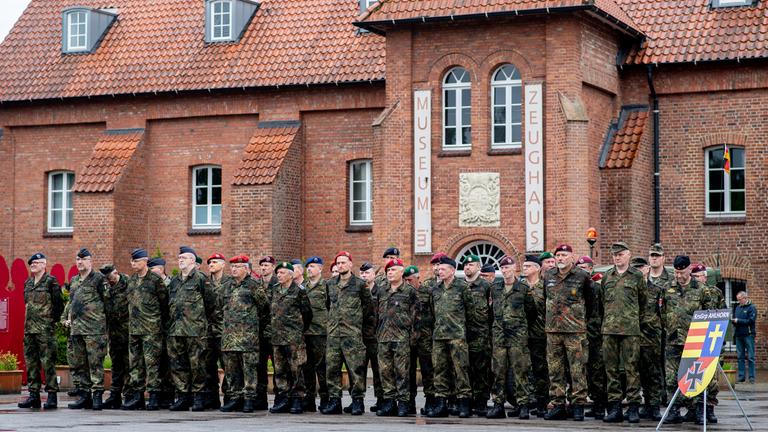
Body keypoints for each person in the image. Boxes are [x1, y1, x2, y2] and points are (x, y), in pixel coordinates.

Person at [542, 244, 594, 421]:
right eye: (558, 255)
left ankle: (578, 405)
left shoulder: (582, 276)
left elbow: (591, 302)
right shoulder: (549, 275)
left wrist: (580, 321)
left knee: (577, 369)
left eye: (564, 255)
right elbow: (545, 299)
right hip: (553, 331)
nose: (560, 258)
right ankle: (557, 404)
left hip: (575, 331)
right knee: (555, 369)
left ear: (572, 257)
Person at [321, 251, 375, 415]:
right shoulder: (330, 284)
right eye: (338, 263)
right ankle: (335, 401)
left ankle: (357, 401)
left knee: (356, 370)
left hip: (352, 335)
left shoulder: (359, 285)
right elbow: (328, 305)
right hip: (334, 335)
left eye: (344, 262)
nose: (340, 265)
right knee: (332, 369)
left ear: (351, 264)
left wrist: (357, 327)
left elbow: (368, 309)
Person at [600, 242, 646, 423]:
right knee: (610, 369)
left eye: (620, 254)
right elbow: (601, 302)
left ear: (628, 255)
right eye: (614, 255)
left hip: (630, 330)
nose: (617, 257)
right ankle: (615, 407)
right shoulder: (607, 277)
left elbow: (643, 302)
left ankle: (633, 406)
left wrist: (633, 319)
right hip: (609, 330)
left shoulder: (636, 276)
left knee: (631, 368)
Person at [167, 246, 215, 411]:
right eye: (179, 257)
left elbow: (211, 304)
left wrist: (203, 325)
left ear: (193, 261)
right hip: (176, 330)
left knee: (197, 365)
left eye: (184, 258)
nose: (180, 260)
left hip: (195, 331)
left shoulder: (201, 278)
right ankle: (183, 397)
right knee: (178, 365)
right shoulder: (174, 281)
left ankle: (199, 397)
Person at [662, 255, 708, 425]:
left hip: (694, 341)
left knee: (695, 377)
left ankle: (696, 410)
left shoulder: (702, 290)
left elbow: (709, 314)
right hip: (673, 340)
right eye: (676, 272)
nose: (679, 276)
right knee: (671, 378)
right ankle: (673, 411)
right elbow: (661, 313)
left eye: (682, 272)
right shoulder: (667, 288)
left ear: (689, 269)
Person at [219, 255, 268, 413]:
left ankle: (249, 399)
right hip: (229, 337)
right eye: (232, 266)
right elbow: (219, 306)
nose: (233, 269)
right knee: (232, 370)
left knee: (249, 369)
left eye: (237, 267)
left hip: (248, 337)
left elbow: (265, 308)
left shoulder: (254, 286)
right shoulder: (226, 286)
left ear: (246, 269)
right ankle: (235, 398)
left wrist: (252, 324)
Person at [427, 256, 473, 418]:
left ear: (453, 270)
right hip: (439, 336)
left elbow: (471, 312)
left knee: (460, 370)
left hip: (457, 336)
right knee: (439, 370)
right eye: (439, 269)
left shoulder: (462, 288)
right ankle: (441, 405)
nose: (440, 272)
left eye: (443, 269)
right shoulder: (435, 289)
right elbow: (432, 313)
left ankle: (464, 404)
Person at [486, 256, 531, 419]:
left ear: (514, 269)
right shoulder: (495, 288)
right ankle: (498, 404)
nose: (505, 271)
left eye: (508, 268)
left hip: (518, 337)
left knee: (520, 371)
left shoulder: (523, 288)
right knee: (498, 371)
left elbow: (531, 312)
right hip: (499, 336)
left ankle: (523, 405)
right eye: (502, 268)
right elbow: (490, 312)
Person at [124, 248, 169, 411]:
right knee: (135, 364)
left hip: (151, 330)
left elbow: (164, 304)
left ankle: (155, 396)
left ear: (145, 261)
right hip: (134, 329)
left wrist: (157, 324)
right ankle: (137, 397)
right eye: (132, 261)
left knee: (152, 364)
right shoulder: (133, 280)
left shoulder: (155, 280)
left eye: (136, 261)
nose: (133, 264)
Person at [18, 253, 63, 410]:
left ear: (44, 265)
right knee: (31, 363)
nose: (33, 264)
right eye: (31, 263)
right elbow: (27, 304)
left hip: (45, 330)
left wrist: (50, 322)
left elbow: (58, 305)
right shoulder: (28, 283)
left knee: (47, 363)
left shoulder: (51, 281)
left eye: (37, 262)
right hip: (29, 330)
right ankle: (33, 396)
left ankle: (51, 396)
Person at [375, 258, 419, 417]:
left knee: (402, 372)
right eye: (388, 271)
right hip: (384, 338)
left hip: (401, 338)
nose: (390, 273)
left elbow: (416, 317)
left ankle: (403, 403)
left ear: (401, 272)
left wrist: (412, 339)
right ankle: (389, 402)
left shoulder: (410, 291)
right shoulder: (381, 290)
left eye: (393, 270)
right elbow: (376, 314)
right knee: (385, 372)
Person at [269, 261, 313, 414]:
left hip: (294, 338)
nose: (279, 275)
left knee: (296, 368)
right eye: (278, 273)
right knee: (280, 370)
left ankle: (297, 398)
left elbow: (307, 314)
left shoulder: (299, 291)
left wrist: (298, 330)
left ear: (290, 275)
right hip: (277, 337)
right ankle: (283, 397)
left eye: (282, 273)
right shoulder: (274, 290)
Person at [68, 248, 108, 410]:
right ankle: (84, 396)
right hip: (77, 328)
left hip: (94, 329)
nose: (80, 262)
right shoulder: (74, 280)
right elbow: (71, 303)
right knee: (80, 363)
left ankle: (97, 395)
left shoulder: (98, 279)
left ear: (90, 261)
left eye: (83, 259)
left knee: (95, 363)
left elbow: (107, 301)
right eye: (78, 259)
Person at [576, 255, 607, 420]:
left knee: (596, 370)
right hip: (578, 333)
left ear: (590, 268)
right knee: (580, 370)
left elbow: (603, 310)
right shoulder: (574, 287)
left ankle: (599, 404)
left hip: (595, 333)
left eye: (585, 268)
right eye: (579, 269)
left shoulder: (597, 287)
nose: (583, 271)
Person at [462, 254, 492, 416]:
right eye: (466, 265)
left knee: (481, 370)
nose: (467, 267)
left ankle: (481, 402)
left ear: (478, 268)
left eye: (471, 265)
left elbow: (492, 311)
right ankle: (467, 400)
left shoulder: (486, 287)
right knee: (464, 369)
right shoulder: (459, 286)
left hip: (481, 335)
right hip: (462, 335)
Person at [404, 265, 435, 415]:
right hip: (408, 339)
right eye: (405, 280)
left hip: (425, 338)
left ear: (417, 277)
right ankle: (410, 402)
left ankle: (430, 401)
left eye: (410, 279)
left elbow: (435, 314)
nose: (408, 282)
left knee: (428, 370)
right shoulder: (403, 293)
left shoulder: (428, 292)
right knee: (408, 372)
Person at [99, 264, 130, 410]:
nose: (108, 281)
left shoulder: (128, 284)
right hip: (114, 333)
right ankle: (115, 396)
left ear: (116, 273)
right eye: (106, 278)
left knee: (130, 365)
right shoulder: (107, 288)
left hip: (128, 333)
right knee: (116, 366)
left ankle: (130, 395)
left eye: (110, 277)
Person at [522, 255, 548, 417]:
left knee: (541, 370)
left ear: (538, 268)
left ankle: (542, 403)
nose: (524, 269)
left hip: (540, 334)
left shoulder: (545, 286)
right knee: (524, 370)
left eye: (528, 266)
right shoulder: (520, 286)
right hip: (522, 335)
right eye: (524, 266)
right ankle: (526, 402)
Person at [303, 256, 329, 412]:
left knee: (322, 367)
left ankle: (325, 398)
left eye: (313, 266)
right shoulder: (303, 288)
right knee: (307, 367)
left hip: (321, 332)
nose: (309, 269)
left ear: (320, 269)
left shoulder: (325, 287)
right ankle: (309, 398)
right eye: (308, 267)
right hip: (306, 333)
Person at [359, 261, 383, 412]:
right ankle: (358, 400)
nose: (364, 275)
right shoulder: (356, 291)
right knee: (358, 370)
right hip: (359, 336)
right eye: (362, 273)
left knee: (378, 370)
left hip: (375, 337)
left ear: (374, 275)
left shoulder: (380, 291)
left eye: (367, 273)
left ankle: (381, 400)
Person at [256, 255, 279, 410]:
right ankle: (260, 398)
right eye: (262, 265)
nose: (264, 267)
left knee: (278, 366)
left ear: (273, 267)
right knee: (259, 366)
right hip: (258, 332)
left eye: (267, 265)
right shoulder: (256, 284)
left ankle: (279, 397)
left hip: (275, 332)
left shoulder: (278, 284)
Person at [733, 291, 757, 384]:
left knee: (750, 357)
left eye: (740, 299)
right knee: (740, 357)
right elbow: (736, 319)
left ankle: (751, 377)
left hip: (749, 335)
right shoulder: (737, 307)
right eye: (738, 300)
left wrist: (738, 320)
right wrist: (733, 321)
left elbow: (751, 320)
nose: (739, 301)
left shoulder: (752, 308)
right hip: (739, 335)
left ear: (745, 298)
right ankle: (741, 377)